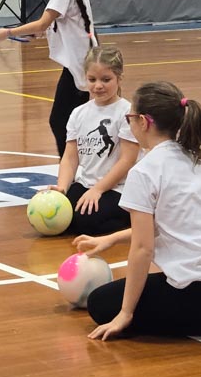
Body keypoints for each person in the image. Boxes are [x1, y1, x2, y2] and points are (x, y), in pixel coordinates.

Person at [75, 80, 201, 341]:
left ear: (143, 122)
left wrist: (125, 313)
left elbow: (143, 249)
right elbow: (171, 221)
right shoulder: (193, 156)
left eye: (129, 118)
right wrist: (111, 239)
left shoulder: (144, 172)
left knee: (101, 303)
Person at [0, 0, 95, 157]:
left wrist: (8, 32)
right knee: (69, 121)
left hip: (79, 66)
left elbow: (42, 22)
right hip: (81, 63)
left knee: (60, 121)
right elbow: (63, 23)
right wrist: (42, 33)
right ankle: (74, 165)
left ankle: (71, 167)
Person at [49, 45, 138, 236]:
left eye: (106, 79)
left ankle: (137, 217)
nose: (98, 86)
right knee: (58, 215)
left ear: (119, 78)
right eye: (92, 79)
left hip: (118, 188)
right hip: (86, 184)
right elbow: (70, 158)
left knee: (86, 221)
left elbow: (127, 160)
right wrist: (61, 189)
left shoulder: (126, 112)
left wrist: (98, 189)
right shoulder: (78, 113)